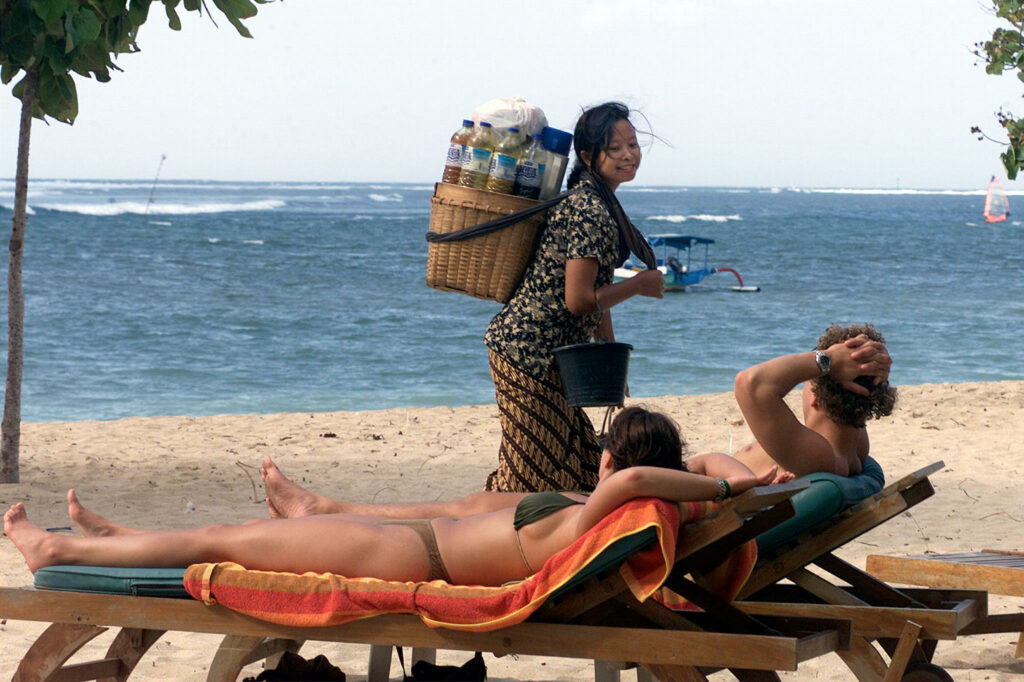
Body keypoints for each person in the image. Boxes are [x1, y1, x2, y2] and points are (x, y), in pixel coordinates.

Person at [4, 407, 775, 584]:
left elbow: (645, 476)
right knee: (230, 534)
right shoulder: (628, 509)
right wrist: (733, 482)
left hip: (407, 557)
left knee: (224, 538)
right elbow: (672, 474)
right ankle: (108, 541)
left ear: (611, 457)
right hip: (416, 547)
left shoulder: (617, 500)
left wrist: (716, 480)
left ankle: (60, 547)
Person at [483, 102, 665, 493]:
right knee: (536, 479)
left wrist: (609, 349)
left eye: (632, 144)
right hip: (526, 353)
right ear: (587, 156)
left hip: (552, 360)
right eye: (614, 148)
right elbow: (579, 299)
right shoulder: (589, 209)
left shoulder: (598, 201)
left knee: (581, 466)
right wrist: (638, 283)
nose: (629, 154)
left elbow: (595, 287)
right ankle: (471, 538)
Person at [732, 323, 897, 479]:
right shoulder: (855, 445)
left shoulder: (816, 455)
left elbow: (750, 384)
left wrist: (828, 359)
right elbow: (864, 382)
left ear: (815, 396)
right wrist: (874, 361)